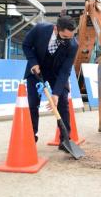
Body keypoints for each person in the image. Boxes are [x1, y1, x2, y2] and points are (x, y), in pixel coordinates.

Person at [22, 16, 78, 151]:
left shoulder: (73, 45)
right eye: (64, 36)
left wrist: (56, 93)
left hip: (57, 74)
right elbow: (26, 45)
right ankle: (31, 137)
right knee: (32, 103)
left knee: (63, 101)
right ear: (56, 29)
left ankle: (65, 140)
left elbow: (65, 71)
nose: (68, 40)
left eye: (70, 37)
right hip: (36, 71)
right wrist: (33, 62)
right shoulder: (40, 29)